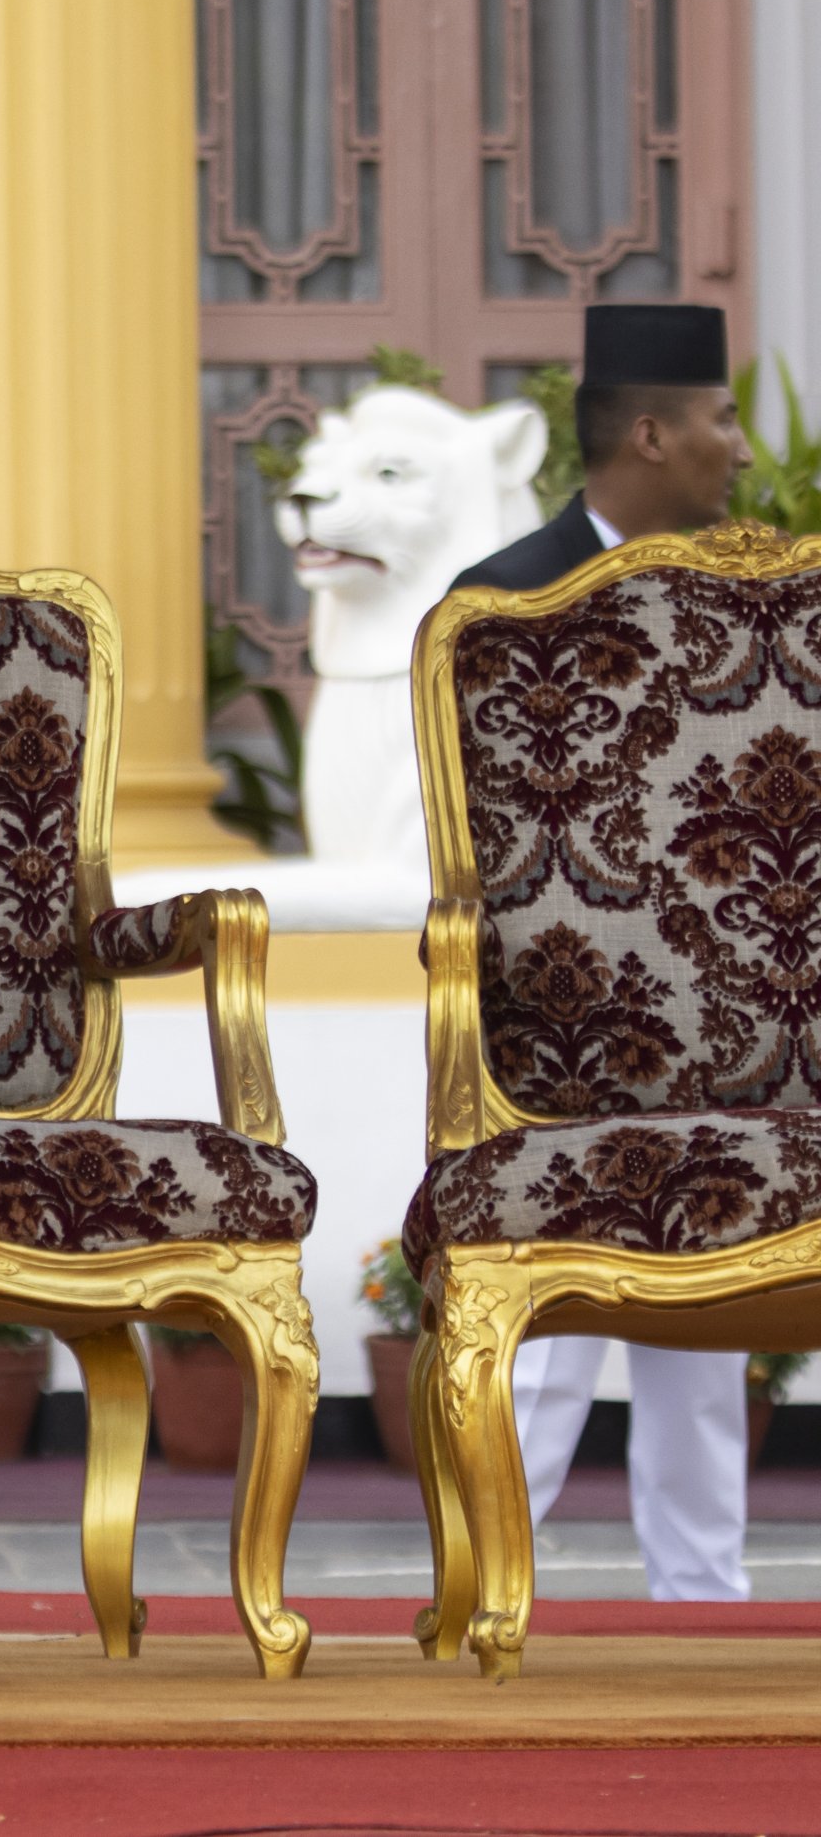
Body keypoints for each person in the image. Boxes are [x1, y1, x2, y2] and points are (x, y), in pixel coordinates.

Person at [450, 300, 756, 1603]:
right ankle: (485, 1591)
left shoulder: (747, 594)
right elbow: (469, 822)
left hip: (717, 1015)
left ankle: (706, 1600)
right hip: (557, 1019)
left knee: (709, 1325)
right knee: (555, 1339)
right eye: (719, 419)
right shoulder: (503, 598)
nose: (739, 446)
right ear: (650, 431)